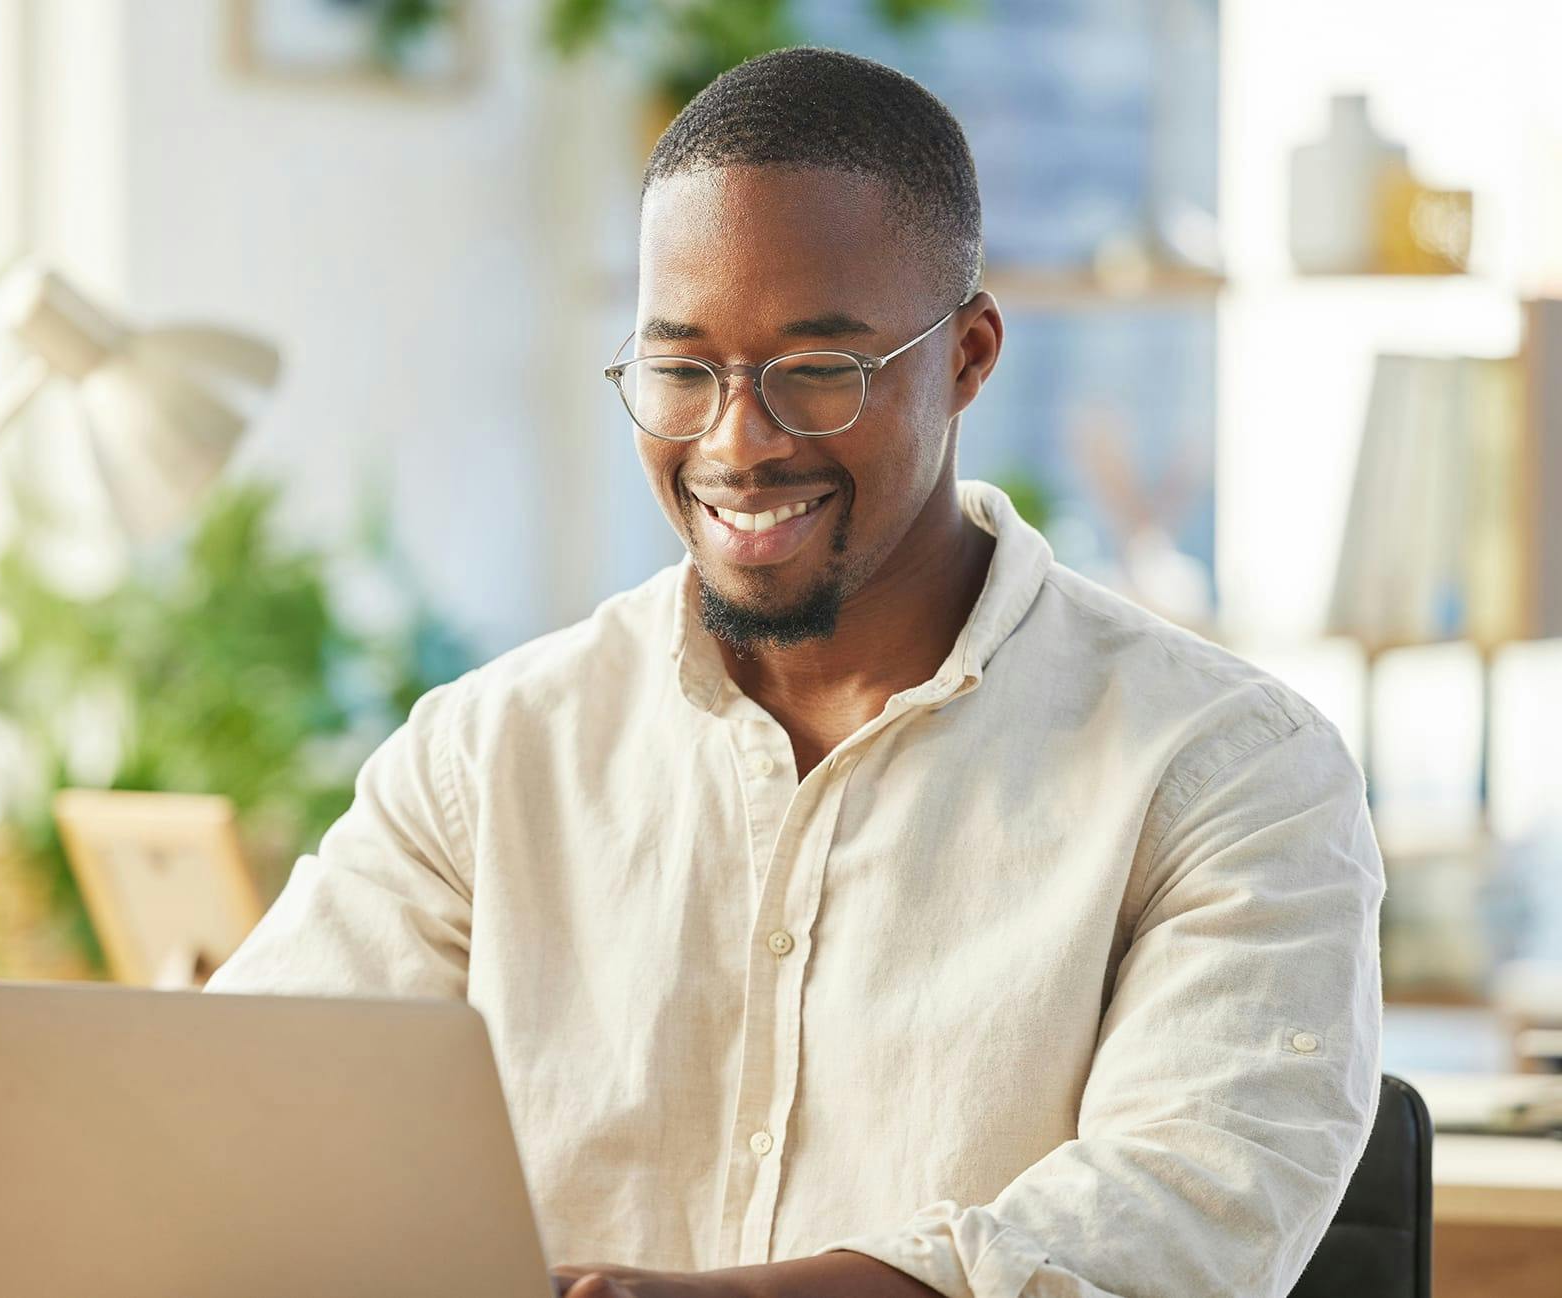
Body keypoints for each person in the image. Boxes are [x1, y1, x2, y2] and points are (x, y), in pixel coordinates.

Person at [207, 47, 1384, 1298]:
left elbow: (1178, 1223)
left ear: (970, 355)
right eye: (680, 368)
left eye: (818, 370)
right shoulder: (487, 754)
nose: (736, 441)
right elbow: (236, 1126)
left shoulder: (1229, 773)